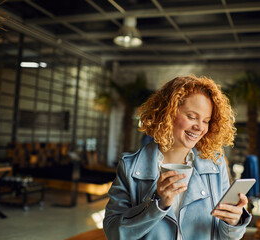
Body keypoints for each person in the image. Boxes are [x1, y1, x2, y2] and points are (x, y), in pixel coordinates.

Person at [103, 75, 251, 240]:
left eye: (206, 120)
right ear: (168, 113)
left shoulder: (216, 164)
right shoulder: (130, 167)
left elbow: (226, 236)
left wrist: (234, 222)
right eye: (192, 117)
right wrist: (157, 205)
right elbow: (114, 233)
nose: (199, 127)